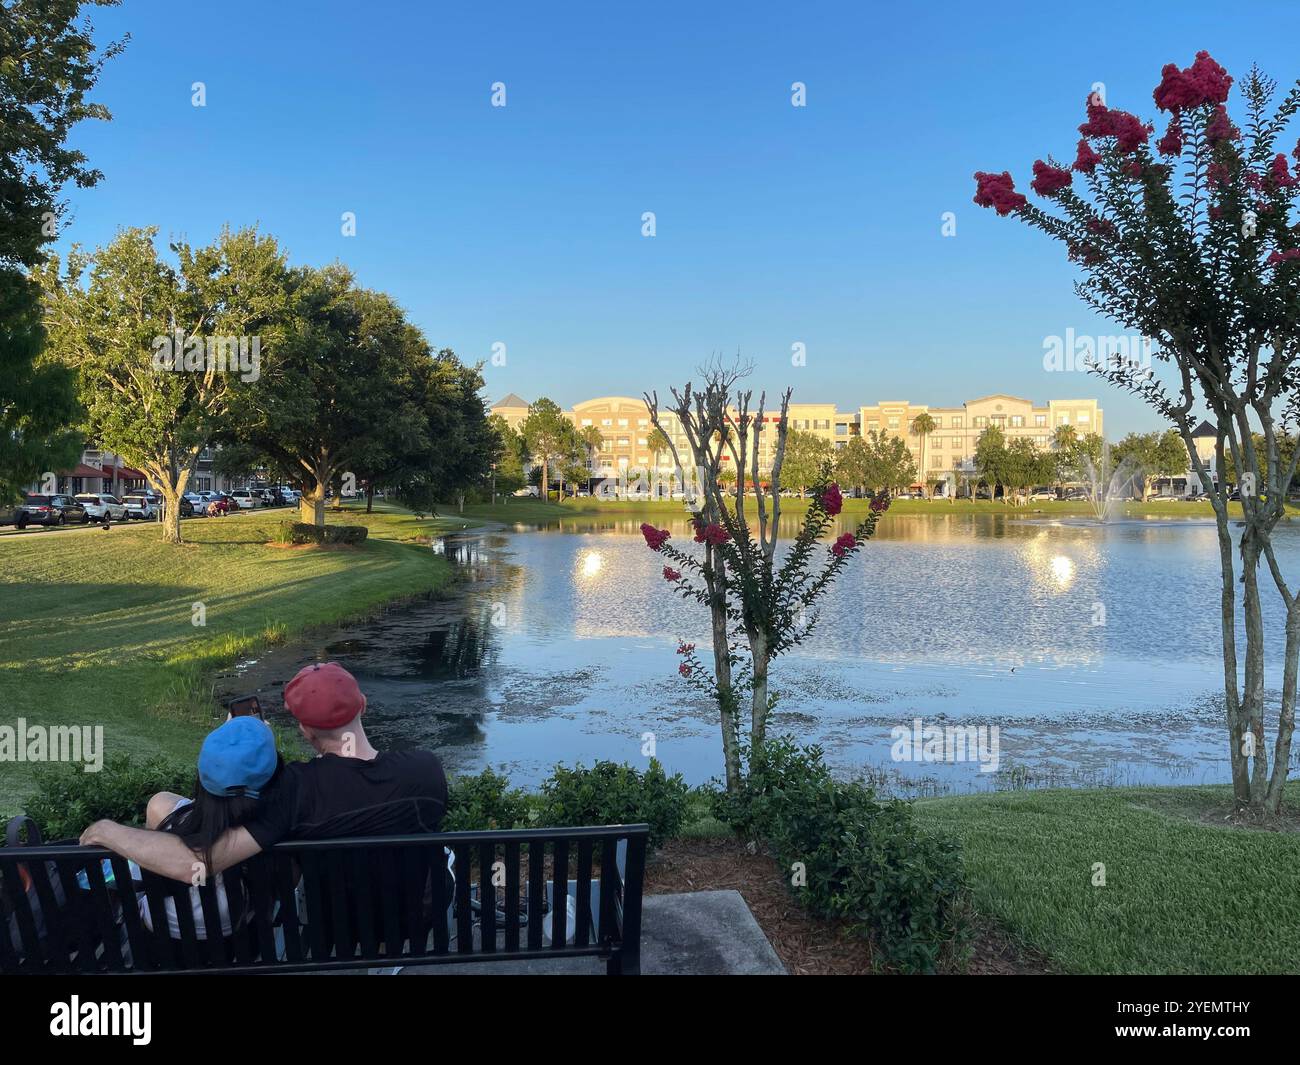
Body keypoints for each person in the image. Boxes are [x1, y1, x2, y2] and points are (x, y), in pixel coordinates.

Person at [81, 662, 448, 883]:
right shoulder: (426, 769)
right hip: (417, 923)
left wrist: (105, 829)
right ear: (363, 706)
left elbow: (195, 863)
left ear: (304, 730)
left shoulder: (296, 791)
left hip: (336, 934)